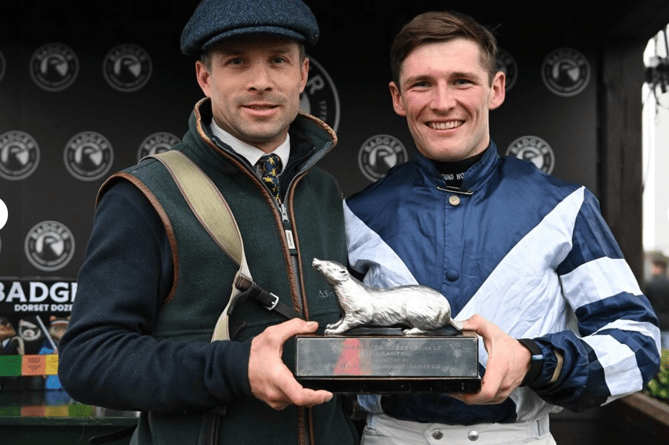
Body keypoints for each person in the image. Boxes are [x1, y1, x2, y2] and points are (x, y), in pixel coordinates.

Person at [344, 10, 661, 445]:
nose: (441, 102)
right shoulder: (357, 213)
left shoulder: (564, 206)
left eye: (461, 81)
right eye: (422, 84)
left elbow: (639, 346)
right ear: (398, 98)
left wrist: (533, 360)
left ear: (495, 89)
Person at [57, 1, 358, 444]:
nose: (261, 81)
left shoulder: (326, 191)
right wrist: (236, 369)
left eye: (278, 60)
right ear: (205, 77)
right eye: (237, 62)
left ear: (302, 74)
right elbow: (88, 360)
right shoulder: (146, 194)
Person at [645, 253, 669, 350]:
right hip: (668, 322)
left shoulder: (650, 284)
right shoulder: (668, 284)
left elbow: (646, 304)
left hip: (655, 321)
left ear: (657, 267)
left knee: (657, 350)